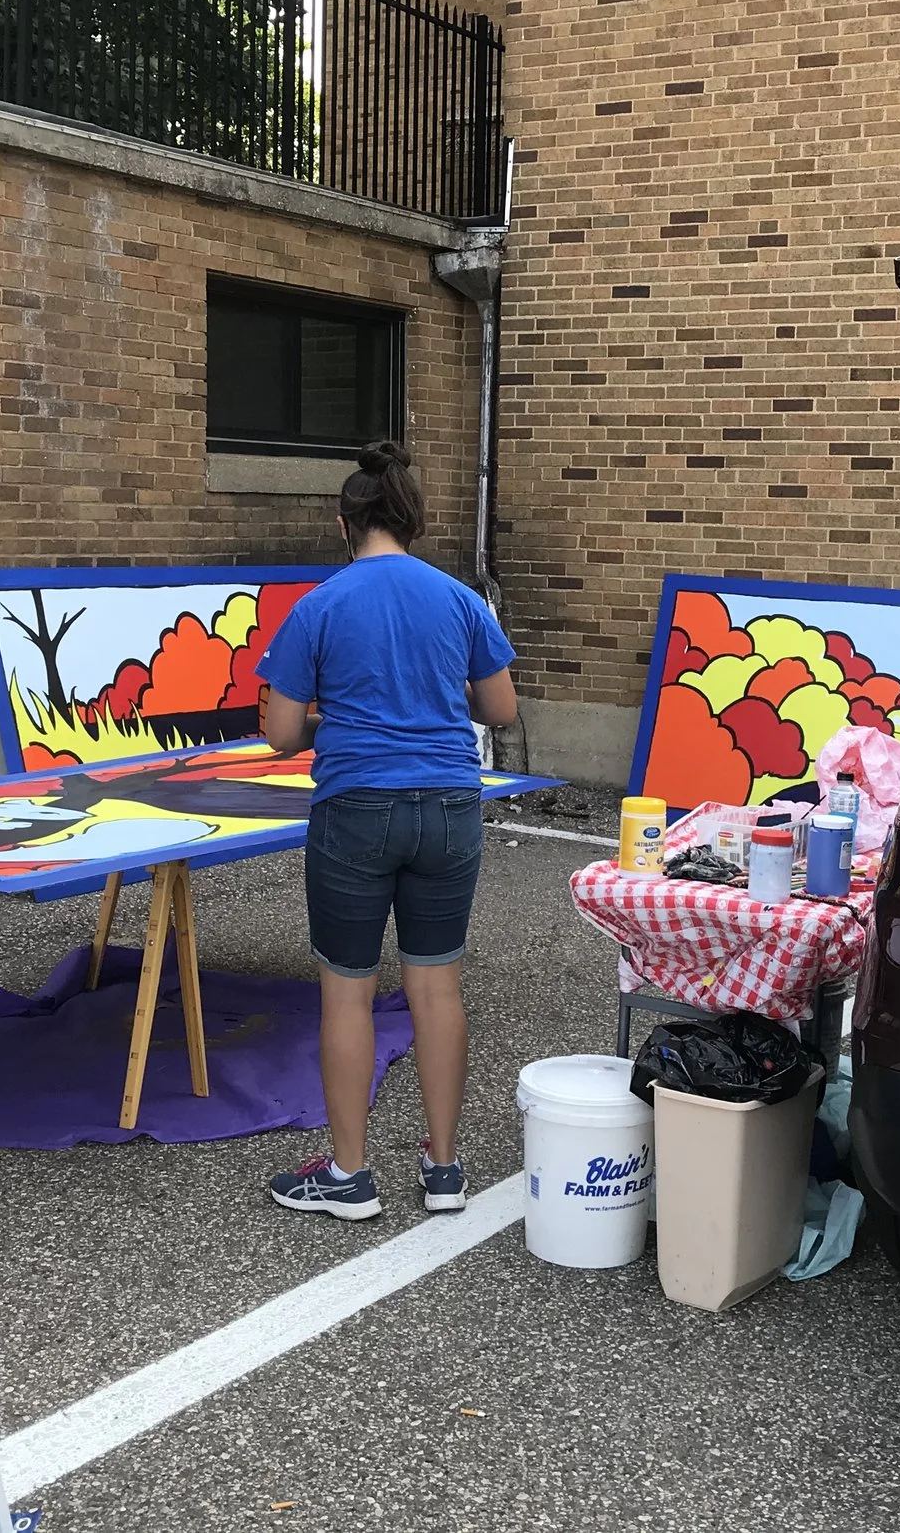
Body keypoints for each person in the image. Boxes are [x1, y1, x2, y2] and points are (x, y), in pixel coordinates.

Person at [256, 440, 518, 1220]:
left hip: (355, 808)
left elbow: (278, 733)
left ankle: (348, 1175)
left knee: (348, 992)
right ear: (412, 520)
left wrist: (324, 717)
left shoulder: (319, 605)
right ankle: (443, 1170)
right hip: (448, 806)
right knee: (435, 988)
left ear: (345, 522)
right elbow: (499, 709)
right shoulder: (461, 600)